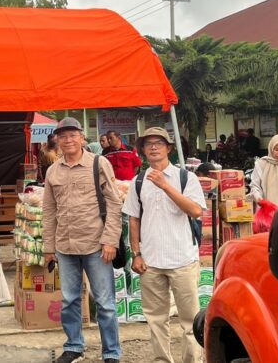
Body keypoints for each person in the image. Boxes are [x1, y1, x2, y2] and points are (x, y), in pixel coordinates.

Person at [122, 127, 206, 363]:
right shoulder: (138, 181)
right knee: (156, 319)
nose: (154, 147)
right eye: (148, 144)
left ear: (169, 148)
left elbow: (196, 210)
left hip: (183, 259)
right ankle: (162, 360)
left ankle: (193, 360)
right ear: (143, 151)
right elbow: (134, 219)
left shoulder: (185, 178)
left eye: (159, 143)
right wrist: (136, 253)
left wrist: (165, 186)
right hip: (150, 262)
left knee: (190, 321)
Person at [42, 117, 123, 363]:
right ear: (57, 140)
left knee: (105, 303)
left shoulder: (99, 163)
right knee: (69, 300)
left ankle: (111, 352)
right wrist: (48, 248)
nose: (68, 140)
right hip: (65, 246)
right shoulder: (52, 170)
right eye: (63, 136)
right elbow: (48, 211)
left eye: (72, 135)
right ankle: (74, 346)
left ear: (81, 137)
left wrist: (111, 240)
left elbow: (114, 203)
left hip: (96, 244)